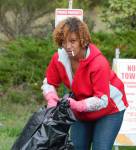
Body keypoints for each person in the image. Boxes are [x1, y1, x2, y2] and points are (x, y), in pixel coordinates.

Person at [41, 17, 128, 150]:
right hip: (81, 108)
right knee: (77, 147)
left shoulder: (99, 63)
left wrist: (76, 105)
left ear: (83, 40)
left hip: (110, 108)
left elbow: (102, 100)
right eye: (64, 41)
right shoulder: (59, 58)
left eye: (73, 41)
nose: (68, 46)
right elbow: (49, 82)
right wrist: (51, 99)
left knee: (101, 148)